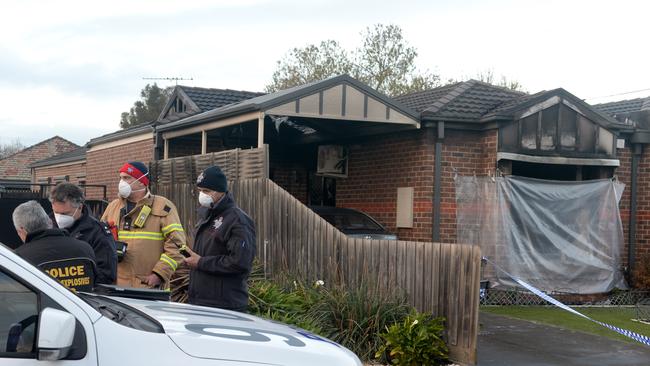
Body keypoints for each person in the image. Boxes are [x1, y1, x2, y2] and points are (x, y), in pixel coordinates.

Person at [101, 161, 186, 289]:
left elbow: (177, 247)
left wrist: (159, 274)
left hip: (148, 287)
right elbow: (99, 240)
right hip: (116, 287)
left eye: (127, 178)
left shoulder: (163, 207)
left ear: (141, 181)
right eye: (120, 178)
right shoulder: (113, 207)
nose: (121, 182)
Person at [183, 165, 256, 311]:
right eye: (200, 191)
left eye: (206, 191)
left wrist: (200, 262)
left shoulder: (237, 220)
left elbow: (240, 262)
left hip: (224, 305)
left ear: (220, 191)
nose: (202, 195)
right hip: (200, 302)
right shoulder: (207, 216)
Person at [13, 200, 96, 292]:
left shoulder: (19, 258)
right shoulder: (85, 248)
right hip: (83, 305)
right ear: (49, 222)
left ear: (22, 230)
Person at [50, 182, 117, 285]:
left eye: (65, 214)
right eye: (56, 213)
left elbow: (106, 272)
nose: (59, 218)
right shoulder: (48, 226)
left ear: (80, 207)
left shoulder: (97, 232)